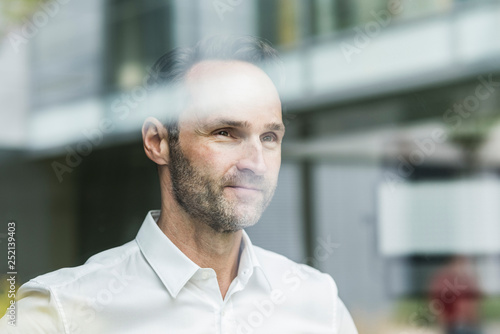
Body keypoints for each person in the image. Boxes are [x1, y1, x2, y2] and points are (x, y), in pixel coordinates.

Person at [0, 36, 358, 333]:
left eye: (269, 137)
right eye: (225, 133)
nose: (256, 163)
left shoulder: (320, 305)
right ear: (158, 141)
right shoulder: (59, 312)